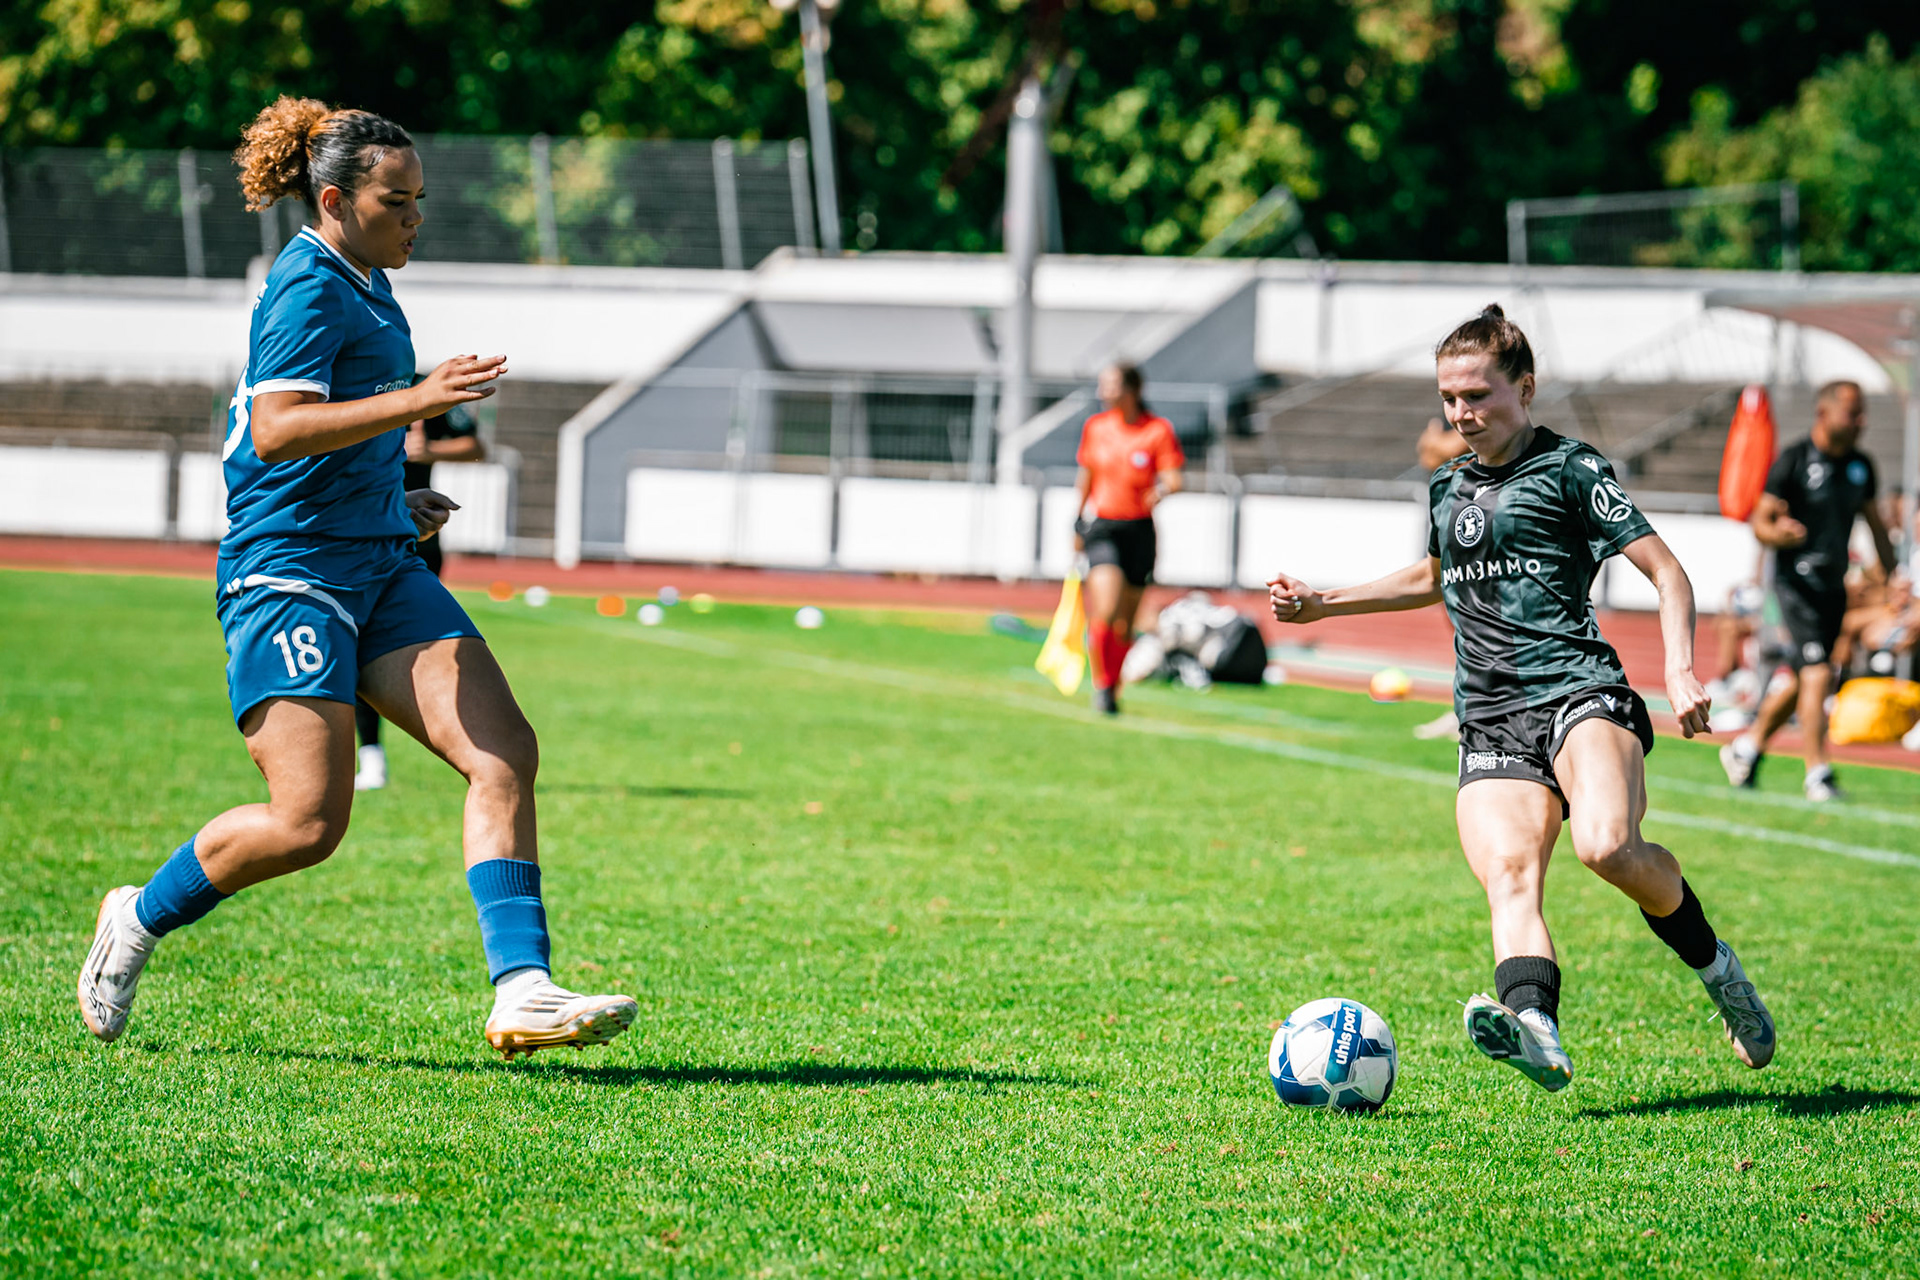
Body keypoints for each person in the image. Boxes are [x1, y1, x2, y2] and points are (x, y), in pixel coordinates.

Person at [76, 97, 636, 1059]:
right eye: (398, 201)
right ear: (334, 199)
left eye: (421, 199)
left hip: (377, 562)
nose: (416, 217)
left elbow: (337, 430)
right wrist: (419, 399)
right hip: (289, 574)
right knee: (307, 823)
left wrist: (392, 502)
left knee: (503, 751)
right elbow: (277, 427)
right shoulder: (310, 285)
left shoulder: (368, 279)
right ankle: (136, 916)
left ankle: (523, 987)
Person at [1267, 304, 1774, 1091]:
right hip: (1491, 715)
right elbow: (1431, 578)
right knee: (1510, 875)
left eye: (1477, 395)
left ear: (1524, 388)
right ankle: (1536, 1027)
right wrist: (1323, 601)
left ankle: (1720, 973)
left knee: (1607, 847)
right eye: (1448, 398)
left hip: (1581, 691)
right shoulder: (1445, 486)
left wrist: (1679, 669)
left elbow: (1668, 571)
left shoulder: (1573, 468)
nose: (1460, 413)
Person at [1719, 381, 1898, 801]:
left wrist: (1893, 578)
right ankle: (1818, 771)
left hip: (1833, 588)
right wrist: (1778, 533)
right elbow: (1761, 521)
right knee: (1818, 672)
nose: (1861, 422)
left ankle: (1746, 747)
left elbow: (1875, 526)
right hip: (1794, 584)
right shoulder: (1794, 461)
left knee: (1807, 678)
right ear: (1825, 413)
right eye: (1853, 413)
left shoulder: (1861, 466)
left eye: (1862, 413)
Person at [354, 387, 487, 791]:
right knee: (357, 650)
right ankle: (370, 755)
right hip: (356, 538)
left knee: (435, 651)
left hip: (418, 540)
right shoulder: (342, 381)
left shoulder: (421, 384)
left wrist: (429, 451)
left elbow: (476, 445)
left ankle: (473, 750)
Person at [1072, 362, 1185, 714]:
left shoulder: (1157, 430)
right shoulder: (1096, 427)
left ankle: (1113, 687)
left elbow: (1174, 478)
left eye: (1110, 385)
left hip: (1139, 531)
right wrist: (1077, 520)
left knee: (1126, 621)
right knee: (1105, 609)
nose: (1102, 392)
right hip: (1103, 528)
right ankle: (1102, 685)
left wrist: (1162, 489)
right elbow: (1086, 476)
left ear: (1131, 390)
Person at [1412, 416, 1471, 742]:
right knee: (1461, 632)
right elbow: (1429, 455)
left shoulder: (1472, 420)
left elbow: (1440, 450)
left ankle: (1468, 712)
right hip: (1448, 523)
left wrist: (1434, 439)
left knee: (1474, 629)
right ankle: (1462, 709)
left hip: (1473, 531)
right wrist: (1434, 442)